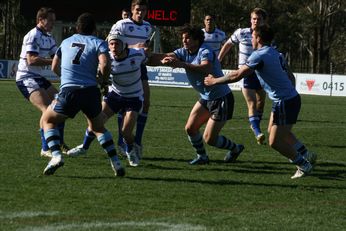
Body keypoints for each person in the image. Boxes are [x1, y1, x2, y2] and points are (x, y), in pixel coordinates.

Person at [204, 24, 317, 179]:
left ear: (258, 38)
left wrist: (214, 81)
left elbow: (237, 75)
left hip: (284, 102)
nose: (251, 38)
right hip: (289, 99)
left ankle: (303, 164)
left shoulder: (259, 55)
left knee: (274, 142)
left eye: (253, 36)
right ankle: (306, 154)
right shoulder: (276, 53)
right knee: (275, 130)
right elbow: (290, 77)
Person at [40, 12, 125, 176]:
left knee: (47, 120)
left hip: (70, 91)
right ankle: (116, 162)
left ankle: (56, 156)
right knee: (98, 127)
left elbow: (54, 67)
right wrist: (103, 81)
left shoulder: (66, 42)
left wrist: (66, 78)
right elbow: (105, 64)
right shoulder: (99, 43)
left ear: (77, 28)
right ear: (94, 29)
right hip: (91, 92)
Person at [147, 24, 244, 164]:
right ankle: (202, 157)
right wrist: (147, 56)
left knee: (210, 139)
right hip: (205, 98)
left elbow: (206, 67)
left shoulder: (205, 50)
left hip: (221, 98)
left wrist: (182, 65)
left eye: (187, 38)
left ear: (197, 40)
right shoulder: (183, 51)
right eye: (183, 38)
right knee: (190, 128)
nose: (184, 41)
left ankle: (235, 148)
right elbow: (163, 56)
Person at [67, 32, 147, 167]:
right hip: (115, 95)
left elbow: (153, 57)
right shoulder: (106, 58)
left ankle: (130, 150)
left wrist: (166, 60)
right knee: (96, 122)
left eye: (117, 44)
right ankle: (84, 148)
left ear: (124, 45)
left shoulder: (137, 54)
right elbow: (99, 74)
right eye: (111, 44)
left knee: (126, 132)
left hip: (134, 98)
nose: (114, 47)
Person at [16, 7, 69, 158]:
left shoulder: (49, 37)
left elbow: (58, 56)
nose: (53, 23)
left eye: (54, 20)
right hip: (26, 77)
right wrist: (54, 61)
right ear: (41, 20)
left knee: (61, 106)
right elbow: (31, 60)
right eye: (50, 20)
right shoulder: (33, 35)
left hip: (38, 78)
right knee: (47, 110)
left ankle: (59, 143)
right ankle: (45, 148)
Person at [108, 0, 152, 158]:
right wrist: (135, 48)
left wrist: (146, 51)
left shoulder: (147, 27)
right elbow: (110, 43)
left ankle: (137, 141)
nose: (141, 13)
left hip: (138, 64)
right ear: (132, 10)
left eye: (144, 10)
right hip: (122, 65)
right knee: (122, 104)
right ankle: (121, 142)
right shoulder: (122, 24)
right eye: (138, 10)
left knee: (146, 103)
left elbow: (145, 47)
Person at [218, 8, 267, 145]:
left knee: (261, 103)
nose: (255, 21)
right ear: (250, 19)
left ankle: (255, 123)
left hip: (261, 74)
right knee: (251, 103)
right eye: (253, 18)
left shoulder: (266, 36)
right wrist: (218, 60)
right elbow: (228, 44)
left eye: (259, 19)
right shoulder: (241, 32)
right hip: (245, 73)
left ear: (264, 21)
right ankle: (257, 131)